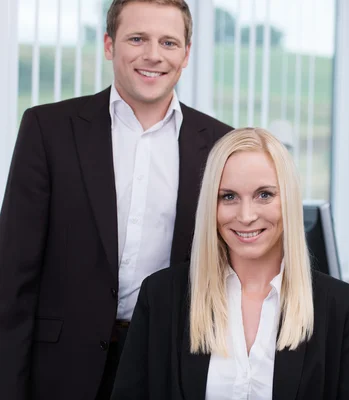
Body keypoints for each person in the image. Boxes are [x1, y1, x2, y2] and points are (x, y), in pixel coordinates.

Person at [0, 1, 232, 399]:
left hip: (168, 364)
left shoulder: (219, 144)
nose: (153, 55)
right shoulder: (48, 129)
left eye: (169, 42)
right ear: (109, 45)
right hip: (60, 367)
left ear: (186, 54)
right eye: (137, 38)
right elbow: (12, 278)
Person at [110, 128, 349, 399]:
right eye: (228, 196)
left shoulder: (342, 309)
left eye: (264, 195)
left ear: (288, 199)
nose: (246, 215)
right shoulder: (161, 298)